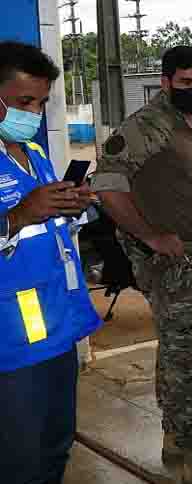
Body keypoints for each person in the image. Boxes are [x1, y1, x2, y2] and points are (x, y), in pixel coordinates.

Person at [91, 46, 192, 473]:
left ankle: (179, 436)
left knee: (180, 346)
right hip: (169, 260)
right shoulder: (147, 125)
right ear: (166, 82)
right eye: (187, 83)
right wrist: (150, 235)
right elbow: (108, 184)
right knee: (186, 352)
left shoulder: (187, 124)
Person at [0, 41, 101, 484]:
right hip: (13, 344)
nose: (35, 114)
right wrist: (21, 214)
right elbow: (22, 219)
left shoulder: (35, 156)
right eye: (24, 102)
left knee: (55, 449)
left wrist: (71, 205)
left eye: (41, 103)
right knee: (19, 461)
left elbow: (48, 228)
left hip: (59, 328)